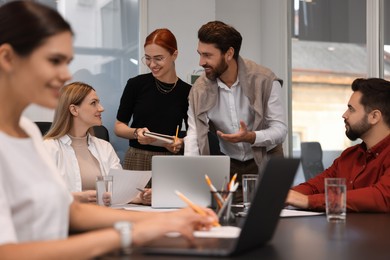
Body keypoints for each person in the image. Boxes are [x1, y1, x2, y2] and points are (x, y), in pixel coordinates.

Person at [0, 1, 216, 258]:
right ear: (8, 58)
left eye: (67, 61)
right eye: (54, 60)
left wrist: (168, 219)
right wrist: (129, 234)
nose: (64, 74)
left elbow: (71, 211)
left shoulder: (27, 131)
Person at [184, 21, 287, 201]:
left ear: (229, 53)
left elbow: (280, 130)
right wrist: (190, 180)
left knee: (274, 220)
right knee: (228, 222)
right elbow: (193, 137)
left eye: (208, 55)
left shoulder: (265, 80)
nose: (201, 62)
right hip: (228, 166)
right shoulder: (199, 90)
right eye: (200, 54)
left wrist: (252, 137)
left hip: (268, 162)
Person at [286, 78, 390, 212]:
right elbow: (315, 187)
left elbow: (382, 197)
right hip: (344, 231)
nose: (344, 115)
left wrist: (307, 201)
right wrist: (285, 196)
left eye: (351, 109)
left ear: (374, 117)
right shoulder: (349, 156)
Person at [43, 82, 151, 205]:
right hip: (69, 219)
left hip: (103, 215)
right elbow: (41, 196)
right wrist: (76, 198)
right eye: (93, 103)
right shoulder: (49, 148)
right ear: (74, 110)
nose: (101, 108)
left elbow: (118, 191)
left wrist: (139, 197)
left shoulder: (104, 147)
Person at [114, 28, 191, 172]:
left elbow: (194, 134)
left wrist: (180, 143)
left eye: (158, 58)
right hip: (137, 158)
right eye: (148, 58)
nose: (152, 64)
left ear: (174, 55)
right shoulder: (136, 84)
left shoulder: (187, 91)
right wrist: (136, 133)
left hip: (170, 160)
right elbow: (119, 127)